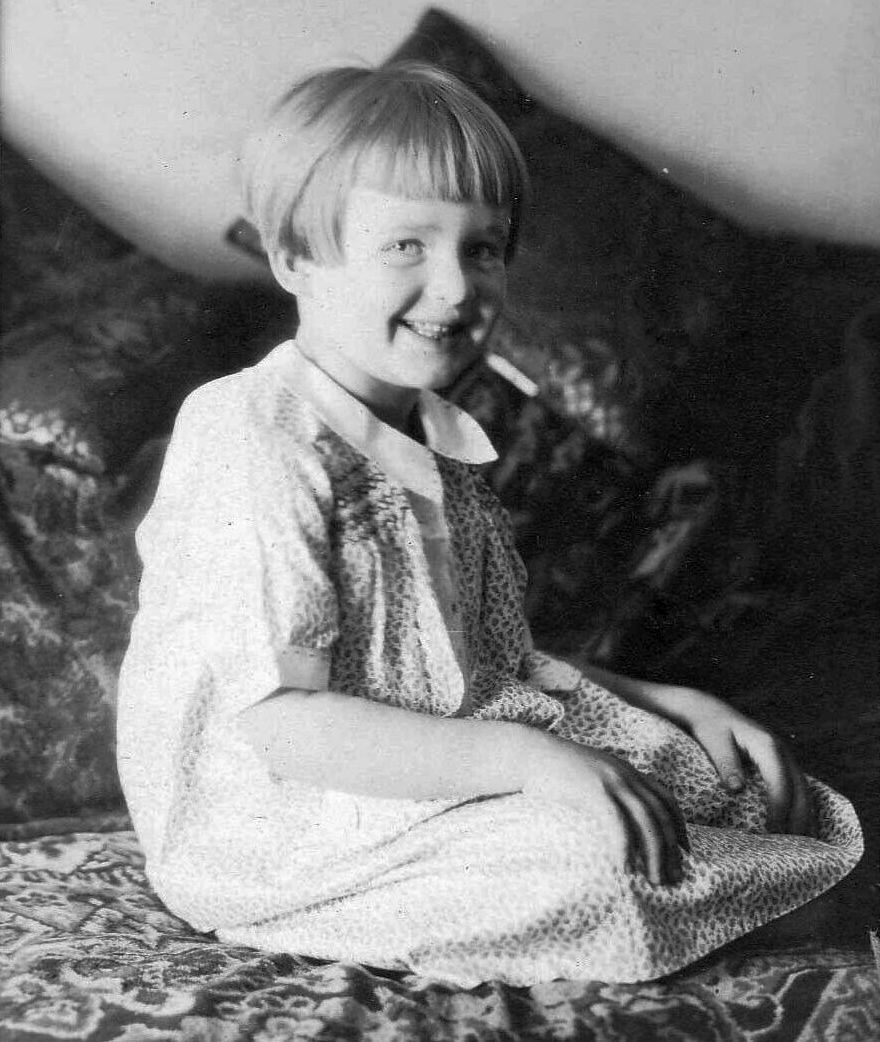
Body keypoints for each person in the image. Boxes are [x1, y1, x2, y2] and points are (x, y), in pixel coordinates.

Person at [116, 61, 862, 987]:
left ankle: (757, 882)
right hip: (290, 812)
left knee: (727, 780)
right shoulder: (252, 433)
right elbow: (284, 726)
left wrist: (668, 703)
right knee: (599, 858)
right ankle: (753, 901)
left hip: (437, 745)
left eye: (483, 249)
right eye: (407, 245)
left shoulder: (437, 436)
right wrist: (533, 760)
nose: (455, 287)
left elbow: (485, 664)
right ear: (296, 260)